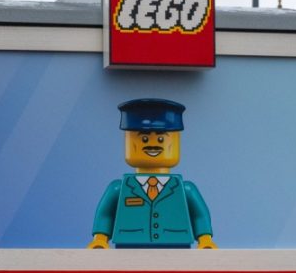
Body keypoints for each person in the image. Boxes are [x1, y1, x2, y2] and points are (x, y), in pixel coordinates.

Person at [88, 98, 216, 249]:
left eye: (161, 139)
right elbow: (105, 214)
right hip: (128, 252)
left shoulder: (186, 189)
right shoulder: (119, 188)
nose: (152, 144)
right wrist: (100, 238)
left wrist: (205, 239)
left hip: (177, 251)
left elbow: (199, 214)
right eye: (144, 138)